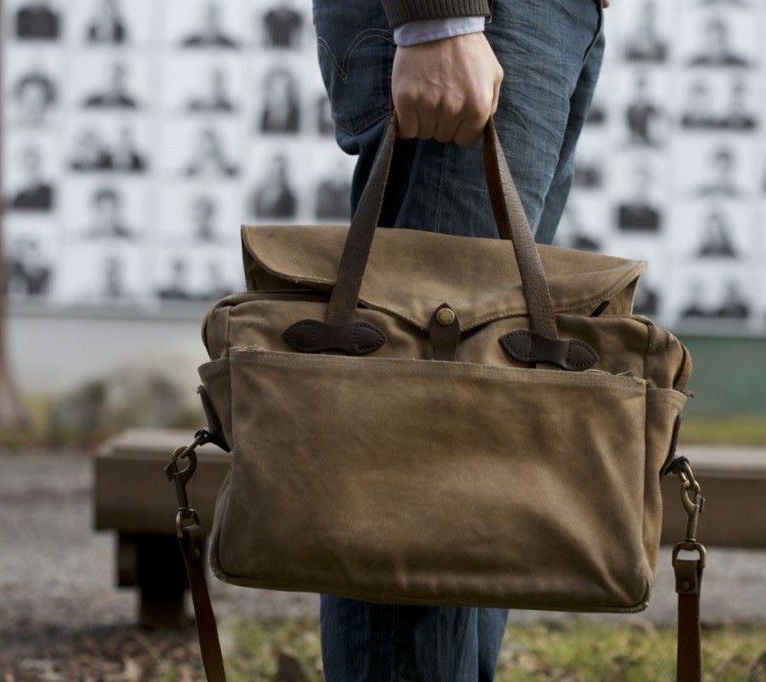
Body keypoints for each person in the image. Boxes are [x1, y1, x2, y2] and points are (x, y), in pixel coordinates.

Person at [313, 0, 606, 679]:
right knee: (423, 439)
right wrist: (437, 17)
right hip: (484, 16)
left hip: (552, 19)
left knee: (480, 434)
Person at [252, 153, 296, 219]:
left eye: (280, 172)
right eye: (274, 171)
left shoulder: (290, 197)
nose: (276, 176)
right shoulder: (258, 194)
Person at [10, 145, 53, 211]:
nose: (30, 171)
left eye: (33, 166)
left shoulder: (47, 193)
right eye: (27, 166)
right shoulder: (18, 199)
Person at [260, 67, 300, 133]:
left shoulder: (298, 121)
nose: (280, 97)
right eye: (275, 91)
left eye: (284, 91)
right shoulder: (261, 120)